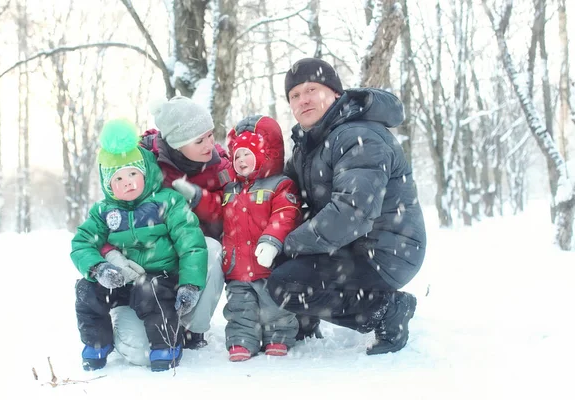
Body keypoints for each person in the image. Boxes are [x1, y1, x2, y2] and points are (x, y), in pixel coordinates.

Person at [266, 58, 427, 355]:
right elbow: (285, 194)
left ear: (335, 94)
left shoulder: (358, 135)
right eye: (295, 95)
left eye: (311, 89)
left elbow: (353, 213)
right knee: (275, 262)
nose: (303, 100)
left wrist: (287, 244)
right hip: (353, 248)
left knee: (286, 281)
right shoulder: (309, 143)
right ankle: (304, 319)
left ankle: (388, 311)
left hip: (387, 253)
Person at [71, 119, 208, 371]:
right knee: (86, 289)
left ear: (145, 172)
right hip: (122, 281)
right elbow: (81, 243)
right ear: (108, 185)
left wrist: (190, 283)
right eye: (119, 178)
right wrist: (99, 269)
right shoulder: (104, 211)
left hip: (161, 278)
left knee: (151, 289)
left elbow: (191, 242)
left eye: (133, 173)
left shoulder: (167, 201)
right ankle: (97, 343)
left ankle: (166, 344)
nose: (128, 182)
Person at [105, 96, 230, 357]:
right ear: (176, 143)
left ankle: (192, 329)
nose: (211, 145)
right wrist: (111, 254)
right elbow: (108, 212)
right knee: (136, 352)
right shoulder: (144, 162)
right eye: (199, 140)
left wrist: (199, 198)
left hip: (189, 253)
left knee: (213, 249)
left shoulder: (220, 166)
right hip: (146, 260)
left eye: (210, 135)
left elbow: (231, 212)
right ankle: (127, 315)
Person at [174, 115, 301, 361]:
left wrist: (271, 241)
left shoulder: (280, 185)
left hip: (269, 265)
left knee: (275, 305)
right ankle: (242, 341)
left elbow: (285, 215)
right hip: (237, 266)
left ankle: (278, 337)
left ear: (264, 155)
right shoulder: (231, 189)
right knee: (240, 308)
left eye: (248, 154)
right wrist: (197, 196)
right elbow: (215, 210)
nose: (241, 161)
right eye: (237, 156)